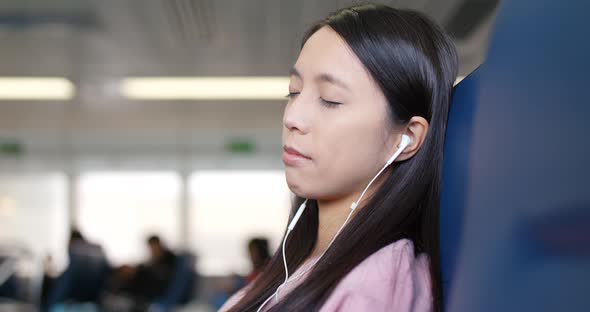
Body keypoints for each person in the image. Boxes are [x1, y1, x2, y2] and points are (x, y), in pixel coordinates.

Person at [220, 3, 457, 312]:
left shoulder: (377, 284)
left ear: (406, 138)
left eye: (330, 100)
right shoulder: (298, 263)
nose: (293, 116)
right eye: (293, 92)